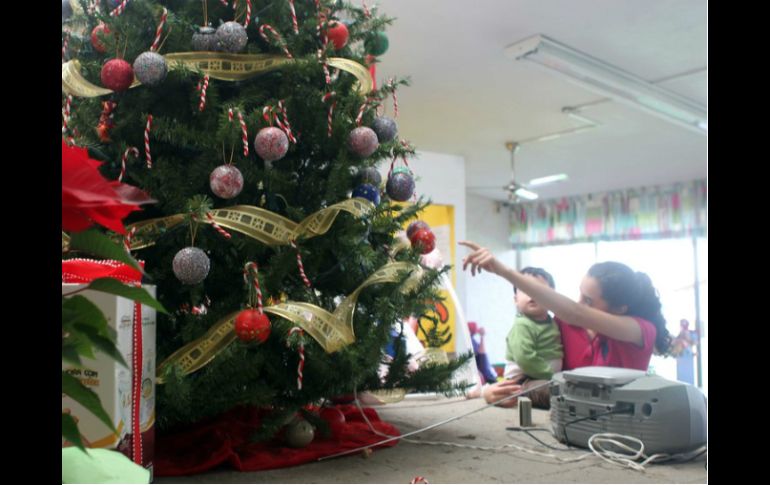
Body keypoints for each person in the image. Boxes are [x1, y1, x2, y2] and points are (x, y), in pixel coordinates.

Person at [459, 240, 671, 409]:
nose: (579, 302)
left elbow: (575, 311)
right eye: (579, 293)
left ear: (620, 309)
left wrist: (503, 270)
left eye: (588, 300)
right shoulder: (563, 326)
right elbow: (529, 377)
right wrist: (488, 392)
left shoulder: (640, 330)